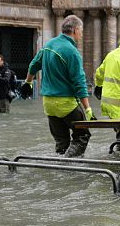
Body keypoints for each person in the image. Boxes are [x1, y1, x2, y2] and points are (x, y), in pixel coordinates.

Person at [23, 15, 92, 157]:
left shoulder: (49, 45)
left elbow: (33, 65)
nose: (81, 34)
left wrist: (28, 83)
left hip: (48, 104)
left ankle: (60, 166)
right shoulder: (72, 52)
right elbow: (79, 82)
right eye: (81, 30)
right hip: (66, 103)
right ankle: (68, 162)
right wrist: (88, 108)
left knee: (61, 141)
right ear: (75, 30)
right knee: (82, 136)